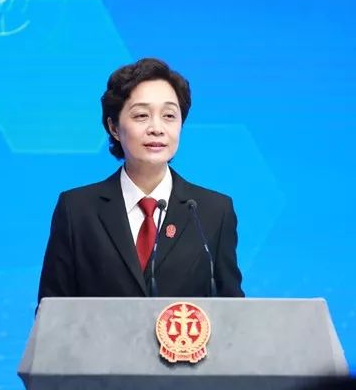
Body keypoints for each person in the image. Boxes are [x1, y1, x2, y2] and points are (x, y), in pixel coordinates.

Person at [37, 58, 244, 302]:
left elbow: (232, 311)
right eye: (141, 115)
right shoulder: (77, 210)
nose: (157, 128)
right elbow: (52, 310)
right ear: (114, 127)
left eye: (169, 115)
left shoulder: (212, 211)